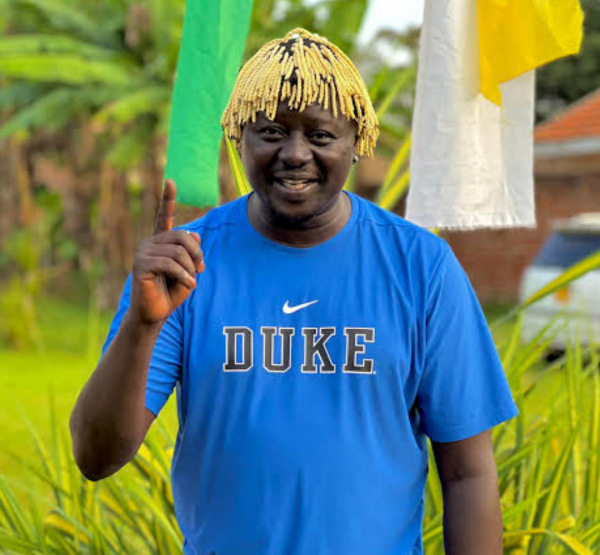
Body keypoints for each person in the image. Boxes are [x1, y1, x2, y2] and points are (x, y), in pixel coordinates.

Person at [70, 28, 517, 555]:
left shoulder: (421, 267)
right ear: (239, 138)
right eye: (271, 131)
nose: (296, 153)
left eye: (321, 135)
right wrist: (142, 327)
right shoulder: (184, 266)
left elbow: (467, 473)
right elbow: (96, 457)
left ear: (357, 143)